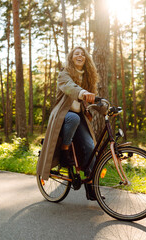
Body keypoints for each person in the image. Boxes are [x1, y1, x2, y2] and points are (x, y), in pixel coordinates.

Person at [36, 46, 106, 201]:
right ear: (71, 57)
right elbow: (70, 87)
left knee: (90, 146)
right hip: (63, 113)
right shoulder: (64, 73)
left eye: (83, 54)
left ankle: (92, 186)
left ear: (86, 58)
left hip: (79, 116)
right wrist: (83, 93)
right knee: (73, 119)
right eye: (76, 54)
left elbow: (92, 99)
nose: (80, 56)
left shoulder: (88, 77)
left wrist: (106, 109)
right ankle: (65, 149)